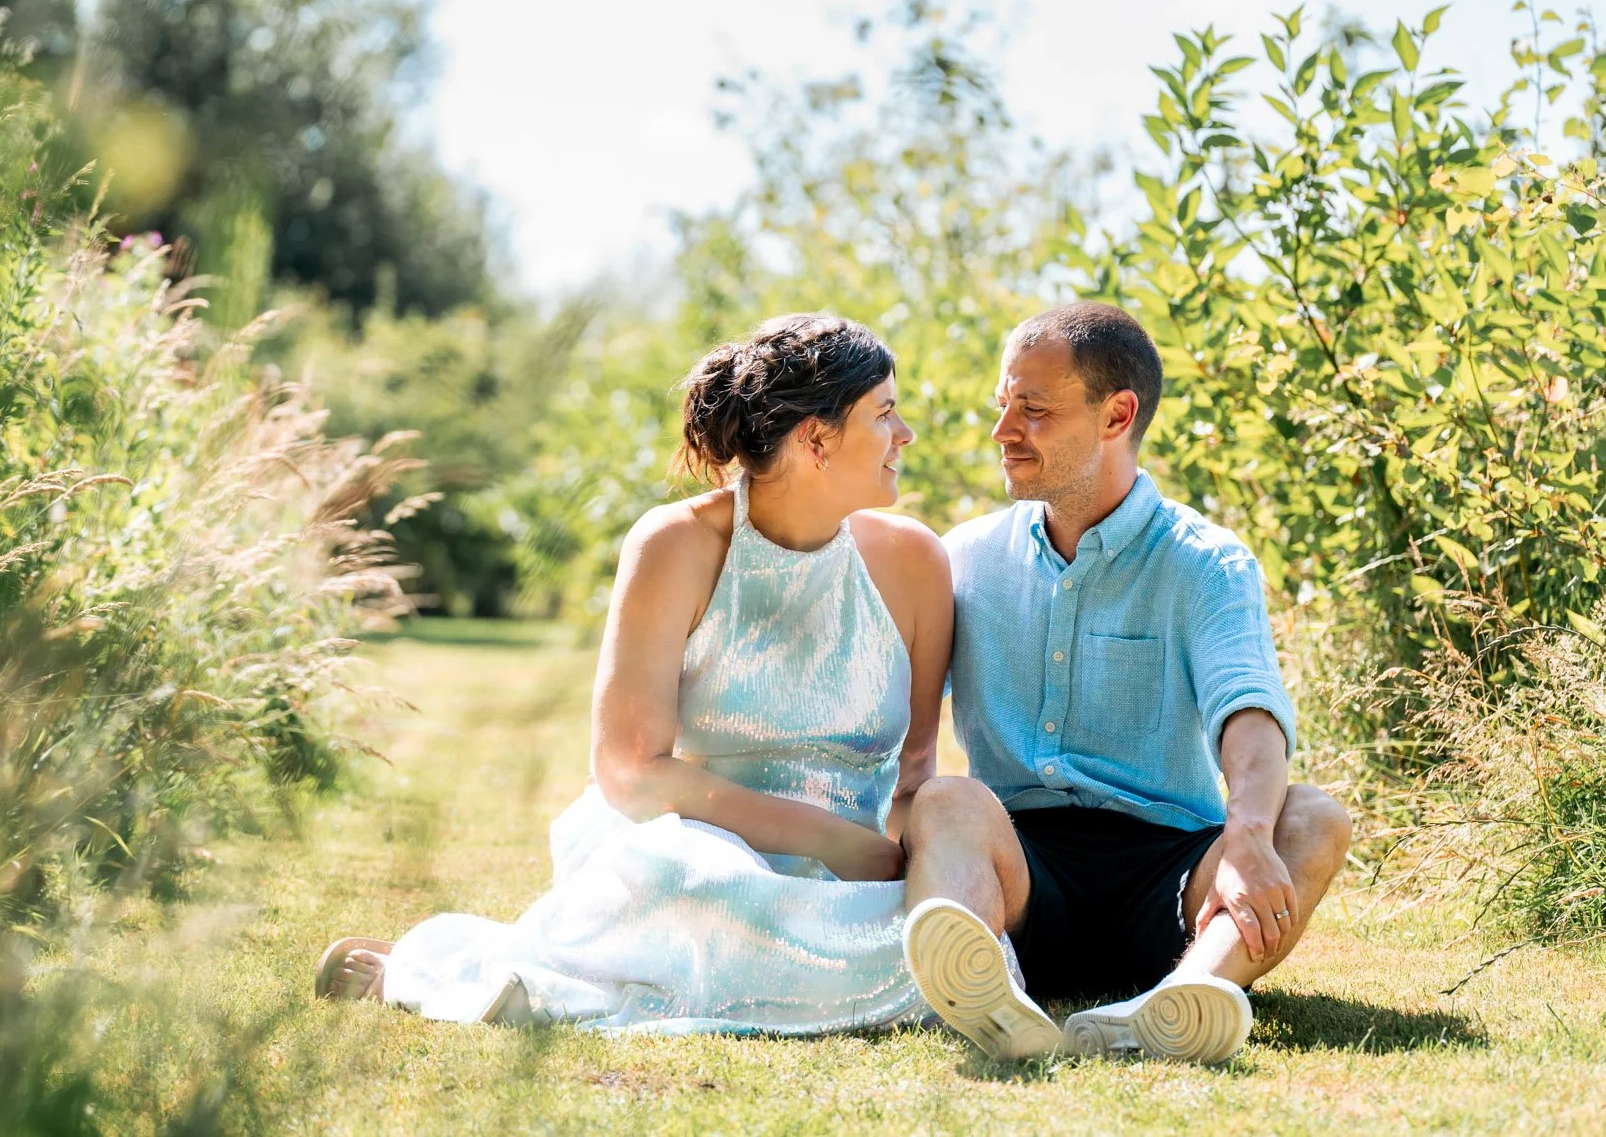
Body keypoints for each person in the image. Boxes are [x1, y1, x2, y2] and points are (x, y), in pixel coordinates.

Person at [313, 314, 980, 1033]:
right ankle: (472, 970)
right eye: (885, 413)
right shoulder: (675, 544)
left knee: (949, 944)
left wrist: (893, 864)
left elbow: (915, 773)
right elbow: (631, 772)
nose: (905, 433)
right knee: (690, 875)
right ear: (815, 439)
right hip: (695, 853)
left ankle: (581, 983)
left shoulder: (916, 561)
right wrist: (822, 834)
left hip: (850, 877)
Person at [898, 302, 1353, 1065]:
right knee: (945, 798)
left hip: (1175, 880)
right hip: (1018, 871)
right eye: (1002, 405)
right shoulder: (963, 557)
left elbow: (1248, 707)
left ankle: (1181, 999)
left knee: (1314, 818)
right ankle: (987, 993)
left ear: (1118, 415)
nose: (1003, 430)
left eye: (1033, 409)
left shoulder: (1208, 561)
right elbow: (897, 732)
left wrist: (1244, 835)